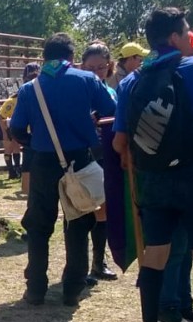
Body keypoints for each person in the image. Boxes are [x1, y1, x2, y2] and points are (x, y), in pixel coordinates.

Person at [112, 7, 193, 322]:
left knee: (155, 253)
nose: (189, 39)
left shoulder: (130, 83)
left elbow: (120, 142)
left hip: (152, 182)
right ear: (174, 37)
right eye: (185, 33)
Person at [10, 32, 117, 306]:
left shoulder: (29, 89)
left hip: (44, 161)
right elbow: (112, 111)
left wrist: (36, 143)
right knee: (79, 222)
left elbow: (17, 129)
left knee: (38, 224)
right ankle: (72, 289)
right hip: (80, 159)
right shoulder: (88, 80)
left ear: (44, 58)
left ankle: (35, 288)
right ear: (71, 57)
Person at [80, 41, 119, 283]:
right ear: (82, 67)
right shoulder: (78, 94)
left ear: (110, 67)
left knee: (103, 209)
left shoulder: (113, 93)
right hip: (84, 155)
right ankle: (79, 265)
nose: (96, 73)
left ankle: (98, 261)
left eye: (101, 68)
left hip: (106, 155)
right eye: (91, 68)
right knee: (82, 208)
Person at [0, 63, 40, 184]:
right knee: (8, 147)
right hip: (7, 125)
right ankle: (10, 170)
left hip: (19, 126)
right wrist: (5, 133)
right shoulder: (13, 100)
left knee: (16, 147)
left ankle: (18, 169)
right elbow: (1, 115)